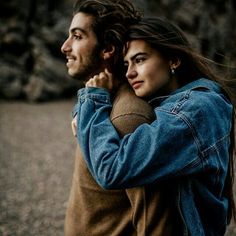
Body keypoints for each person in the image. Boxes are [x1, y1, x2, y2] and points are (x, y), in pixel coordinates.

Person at [75, 17, 236, 235]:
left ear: (173, 61)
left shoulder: (194, 113)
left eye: (139, 60)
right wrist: (84, 108)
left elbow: (111, 169)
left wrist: (93, 101)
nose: (130, 72)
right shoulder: (180, 101)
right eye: (126, 64)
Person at [61, 2, 174, 235]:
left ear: (108, 49)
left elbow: (154, 223)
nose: (65, 46)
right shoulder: (97, 103)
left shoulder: (128, 116)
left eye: (78, 36)